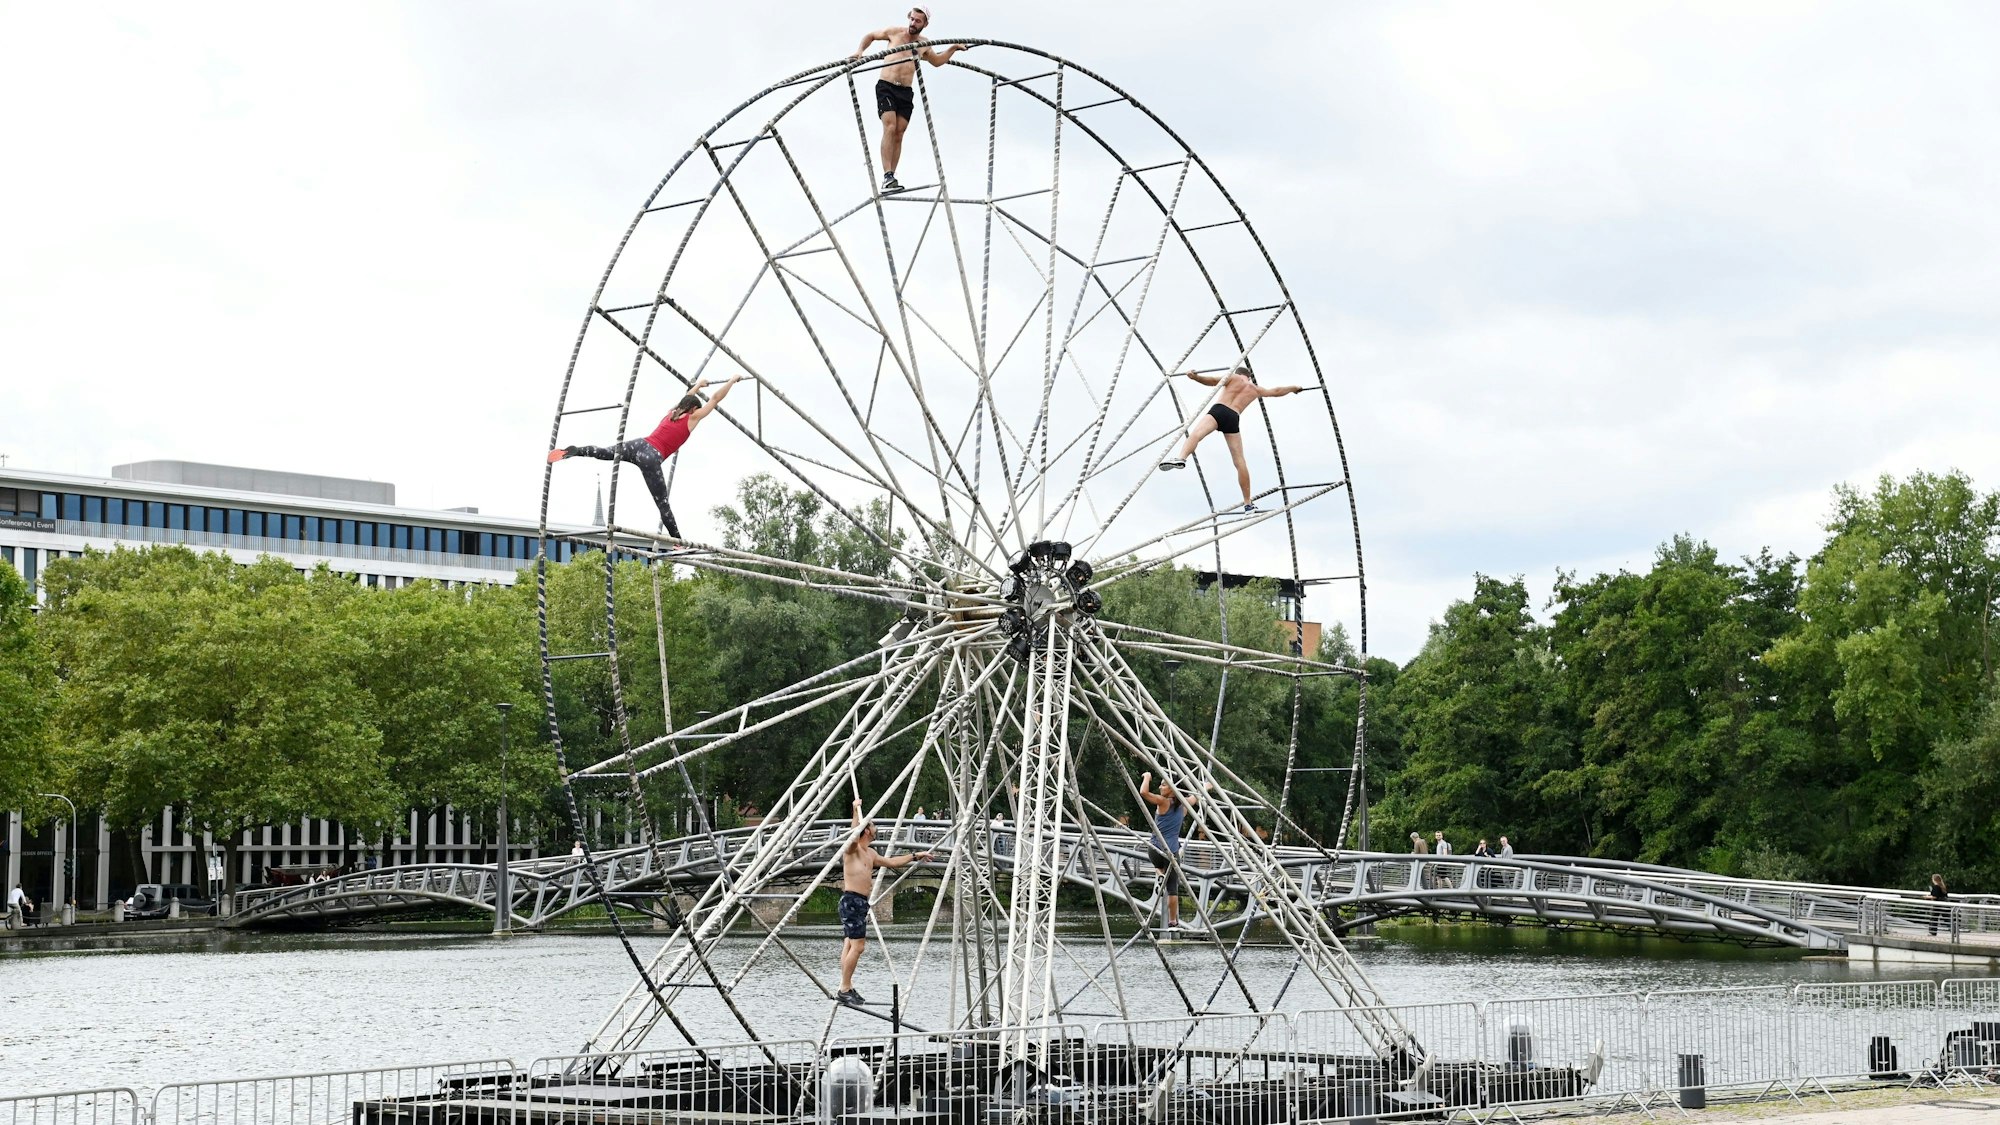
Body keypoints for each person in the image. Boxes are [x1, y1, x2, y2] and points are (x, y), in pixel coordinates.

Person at [547, 374, 742, 538]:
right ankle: (677, 541)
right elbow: (715, 398)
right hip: (651, 457)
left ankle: (577, 451)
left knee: (605, 452)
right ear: (693, 409)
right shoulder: (692, 417)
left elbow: (686, 398)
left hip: (639, 444)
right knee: (662, 503)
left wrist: (698, 385)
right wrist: (732, 381)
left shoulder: (672, 413)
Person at [850, 7, 971, 195]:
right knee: (890, 126)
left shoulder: (924, 44)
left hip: (905, 92)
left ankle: (891, 178)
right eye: (912, 19)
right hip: (886, 86)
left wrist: (953, 48)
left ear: (925, 24)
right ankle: (887, 175)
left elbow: (937, 61)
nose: (913, 23)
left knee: (899, 132)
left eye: (918, 21)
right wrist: (859, 51)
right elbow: (871, 36)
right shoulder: (894, 32)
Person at [1157, 363, 1304, 512]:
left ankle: (1181, 458)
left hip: (1219, 410)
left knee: (1196, 434)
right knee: (1239, 461)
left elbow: (1213, 381)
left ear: (1238, 373)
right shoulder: (1255, 389)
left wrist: (1195, 377)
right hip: (1233, 417)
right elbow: (1276, 391)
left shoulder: (1233, 377)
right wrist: (1294, 388)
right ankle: (1248, 504)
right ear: (1249, 377)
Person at [838, 800, 932, 1006]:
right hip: (852, 900)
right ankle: (844, 988)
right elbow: (853, 834)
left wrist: (915, 855)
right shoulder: (852, 849)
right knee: (858, 947)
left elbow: (892, 862)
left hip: (860, 902)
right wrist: (855, 811)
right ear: (866, 831)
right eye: (872, 825)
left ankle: (847, 986)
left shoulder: (870, 853)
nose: (875, 828)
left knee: (850, 944)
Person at [1139, 772, 1194, 930]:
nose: (1160, 787)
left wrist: (1147, 777)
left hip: (1155, 848)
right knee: (1172, 889)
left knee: (1158, 866)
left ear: (1172, 789)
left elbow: (1143, 792)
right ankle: (1172, 922)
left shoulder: (1163, 802)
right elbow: (1196, 796)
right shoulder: (1184, 805)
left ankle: (1159, 874)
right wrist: (1206, 787)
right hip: (1172, 851)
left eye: (1163, 784)